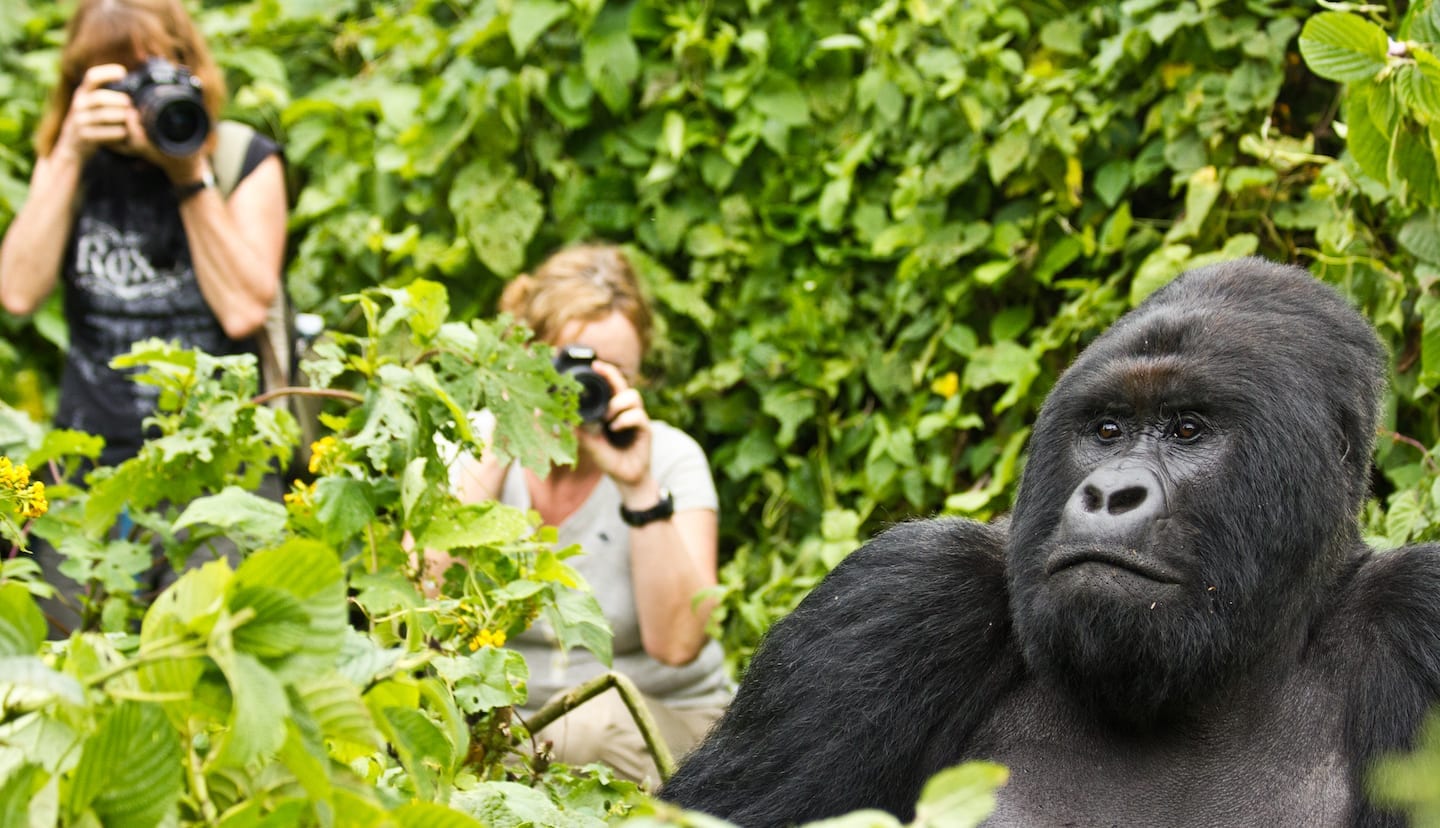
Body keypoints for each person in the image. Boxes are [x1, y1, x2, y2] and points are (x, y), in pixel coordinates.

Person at [0, 0, 288, 634]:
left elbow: (244, 307)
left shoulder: (242, 157)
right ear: (81, 86)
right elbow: (16, 293)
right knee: (58, 655)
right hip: (87, 464)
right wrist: (68, 152)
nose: (136, 103)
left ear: (188, 71)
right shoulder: (72, 161)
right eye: (112, 81)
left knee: (205, 647)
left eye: (149, 78)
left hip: (222, 462)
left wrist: (188, 171)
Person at [438, 244, 732, 787]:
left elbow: (678, 644)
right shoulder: (471, 443)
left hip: (659, 719)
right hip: (511, 722)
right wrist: (507, 435)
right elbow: (423, 598)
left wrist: (638, 486)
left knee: (591, 733)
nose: (583, 390)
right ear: (527, 358)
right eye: (571, 365)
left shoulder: (669, 458)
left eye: (613, 371)